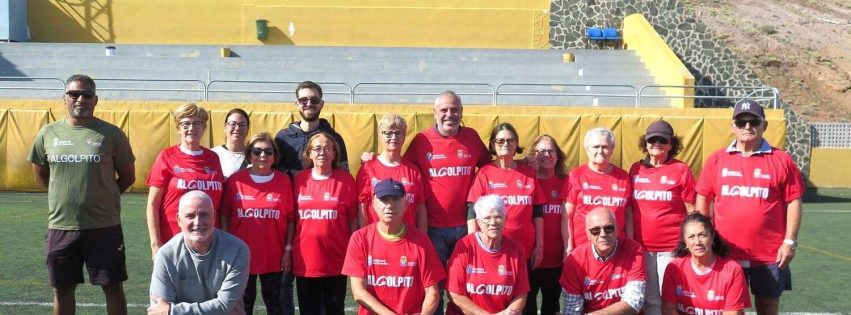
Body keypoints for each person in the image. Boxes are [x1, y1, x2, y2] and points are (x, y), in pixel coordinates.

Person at [28, 74, 136, 315]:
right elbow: (41, 175)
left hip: (103, 226)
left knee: (113, 288)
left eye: (87, 95)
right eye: (74, 94)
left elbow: (128, 176)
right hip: (61, 226)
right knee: (63, 290)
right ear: (64, 98)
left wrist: (105, 197)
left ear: (95, 100)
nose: (80, 99)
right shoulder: (48, 133)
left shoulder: (112, 134)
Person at [695, 99, 805, 315]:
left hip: (770, 255)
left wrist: (790, 242)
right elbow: (703, 197)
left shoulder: (781, 160)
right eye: (741, 121)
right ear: (733, 126)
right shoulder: (717, 159)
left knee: (767, 306)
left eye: (754, 121)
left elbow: (794, 200)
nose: (747, 126)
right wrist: (703, 236)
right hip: (725, 252)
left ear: (764, 125)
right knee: (728, 308)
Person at [403, 91, 491, 313]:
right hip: (433, 229)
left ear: (462, 112)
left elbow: (492, 167)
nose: (449, 114)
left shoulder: (472, 137)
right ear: (435, 113)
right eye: (444, 110)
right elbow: (401, 167)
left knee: (465, 285)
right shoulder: (421, 141)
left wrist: (523, 163)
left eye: (454, 110)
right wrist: (371, 158)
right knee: (434, 289)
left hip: (467, 228)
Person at [343, 179, 445, 315]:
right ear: (373, 204)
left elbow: (432, 291)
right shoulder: (359, 239)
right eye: (384, 200)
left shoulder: (421, 241)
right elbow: (358, 292)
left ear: (406, 204)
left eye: (395, 199)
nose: (390, 205)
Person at [221, 132, 295, 315]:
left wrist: (288, 250)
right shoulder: (235, 181)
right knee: (243, 307)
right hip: (241, 257)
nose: (263, 156)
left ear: (275, 156)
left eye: (268, 152)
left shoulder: (284, 181)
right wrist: (225, 246)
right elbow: (224, 215)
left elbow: (291, 219)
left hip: (273, 257)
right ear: (249, 155)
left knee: (276, 307)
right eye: (257, 151)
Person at [628, 120, 696, 315]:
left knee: (670, 297)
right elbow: (630, 209)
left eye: (662, 140)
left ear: (671, 144)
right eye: (652, 140)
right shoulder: (635, 169)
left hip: (671, 247)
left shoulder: (681, 170)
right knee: (649, 298)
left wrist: (689, 242)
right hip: (642, 247)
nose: (656, 143)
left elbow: (691, 210)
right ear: (645, 143)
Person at [148, 190, 250, 315]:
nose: (198, 222)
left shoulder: (237, 250)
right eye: (190, 216)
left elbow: (224, 306)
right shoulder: (165, 255)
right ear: (179, 220)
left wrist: (173, 311)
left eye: (204, 214)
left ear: (214, 217)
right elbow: (159, 309)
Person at [466, 124, 545, 278]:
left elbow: (538, 212)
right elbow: (471, 211)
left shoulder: (528, 173)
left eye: (510, 140)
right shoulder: (484, 173)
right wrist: (474, 244)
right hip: (493, 248)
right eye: (500, 141)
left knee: (524, 298)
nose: (506, 144)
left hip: (525, 249)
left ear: (516, 144)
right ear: (493, 145)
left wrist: (539, 246)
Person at [146, 103, 225, 259]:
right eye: (186, 123)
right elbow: (152, 204)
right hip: (175, 241)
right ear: (178, 128)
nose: (192, 128)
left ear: (204, 127)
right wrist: (156, 245)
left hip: (209, 242)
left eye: (197, 123)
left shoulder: (213, 158)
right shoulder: (167, 156)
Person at [292, 132, 358, 315]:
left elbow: (353, 221)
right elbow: (292, 220)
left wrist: (353, 254)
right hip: (306, 261)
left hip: (336, 259)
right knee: (308, 310)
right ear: (309, 154)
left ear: (335, 153)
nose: (322, 152)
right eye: (317, 148)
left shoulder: (346, 180)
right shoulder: (299, 180)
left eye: (327, 148)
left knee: (335, 310)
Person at [446, 195, 529, 315]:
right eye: (487, 218)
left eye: (498, 217)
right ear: (478, 222)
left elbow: (521, 294)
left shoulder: (516, 250)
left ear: (505, 219)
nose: (493, 222)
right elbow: (454, 293)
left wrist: (509, 312)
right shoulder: (465, 246)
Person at [560, 207, 646, 315]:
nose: (603, 234)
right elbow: (572, 310)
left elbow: (633, 302)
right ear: (588, 234)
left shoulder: (634, 250)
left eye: (608, 228)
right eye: (595, 230)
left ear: (617, 229)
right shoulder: (575, 260)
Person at [561, 127, 633, 255]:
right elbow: (567, 216)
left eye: (605, 147)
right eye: (595, 147)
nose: (601, 151)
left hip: (617, 248)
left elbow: (628, 216)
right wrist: (569, 247)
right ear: (587, 149)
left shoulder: (623, 177)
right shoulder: (575, 176)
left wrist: (630, 244)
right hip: (583, 249)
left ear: (612, 150)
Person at [661, 213, 751, 315]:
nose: (697, 241)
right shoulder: (674, 268)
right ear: (685, 241)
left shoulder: (733, 270)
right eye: (691, 237)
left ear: (712, 236)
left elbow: (732, 313)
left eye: (702, 235)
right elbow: (668, 309)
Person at [355, 113, 428, 231]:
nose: (393, 137)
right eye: (388, 133)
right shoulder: (368, 168)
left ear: (404, 137)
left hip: (407, 239)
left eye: (398, 133)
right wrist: (366, 237)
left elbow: (420, 208)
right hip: (377, 239)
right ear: (380, 136)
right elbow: (361, 207)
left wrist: (423, 238)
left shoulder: (413, 170)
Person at [525, 135, 568, 315]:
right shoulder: (525, 179)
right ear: (533, 155)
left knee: (552, 305)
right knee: (527, 306)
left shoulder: (567, 181)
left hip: (556, 258)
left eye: (551, 151)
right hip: (529, 257)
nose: (547, 155)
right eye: (541, 151)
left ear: (558, 156)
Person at [274, 80, 349, 176]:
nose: (309, 104)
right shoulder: (283, 138)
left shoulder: (334, 139)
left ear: (321, 104)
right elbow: (273, 170)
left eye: (314, 100)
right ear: (297, 104)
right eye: (303, 100)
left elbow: (343, 173)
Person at [212, 108, 250, 179]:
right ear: (225, 128)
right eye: (233, 124)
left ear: (247, 129)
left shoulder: (256, 156)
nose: (237, 128)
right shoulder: (212, 155)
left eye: (242, 124)